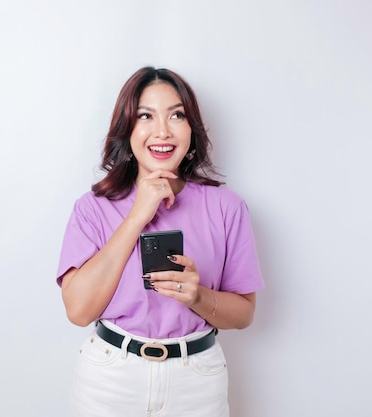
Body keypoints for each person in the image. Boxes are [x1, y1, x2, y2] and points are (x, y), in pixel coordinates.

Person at [56, 66, 264, 417]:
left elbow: (244, 314)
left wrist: (198, 296)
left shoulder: (227, 207)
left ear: (191, 129)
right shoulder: (92, 208)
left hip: (196, 381)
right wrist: (138, 214)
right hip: (110, 380)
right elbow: (78, 311)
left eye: (177, 115)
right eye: (146, 116)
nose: (162, 131)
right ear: (128, 128)